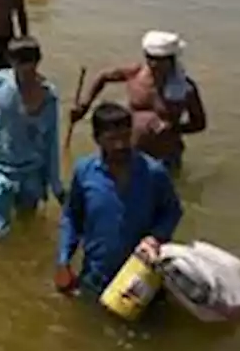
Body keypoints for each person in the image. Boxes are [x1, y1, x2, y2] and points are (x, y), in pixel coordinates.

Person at [55, 102, 184, 295]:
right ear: (97, 139)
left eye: (125, 137)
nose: (121, 145)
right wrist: (63, 261)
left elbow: (172, 211)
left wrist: (155, 237)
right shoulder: (85, 172)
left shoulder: (153, 172)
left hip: (141, 276)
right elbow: (71, 217)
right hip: (96, 276)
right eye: (112, 139)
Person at [0, 37, 63, 240]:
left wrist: (56, 185)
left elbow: (52, 143)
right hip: (1, 168)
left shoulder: (49, 96)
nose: (26, 68)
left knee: (28, 227)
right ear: (10, 60)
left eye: (30, 61)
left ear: (39, 60)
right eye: (20, 61)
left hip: (32, 171)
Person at [69, 30, 207, 171]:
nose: (153, 64)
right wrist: (84, 106)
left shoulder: (185, 88)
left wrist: (173, 127)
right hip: (131, 152)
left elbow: (200, 123)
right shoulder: (135, 74)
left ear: (172, 60)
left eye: (159, 60)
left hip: (165, 156)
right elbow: (103, 77)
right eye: (149, 58)